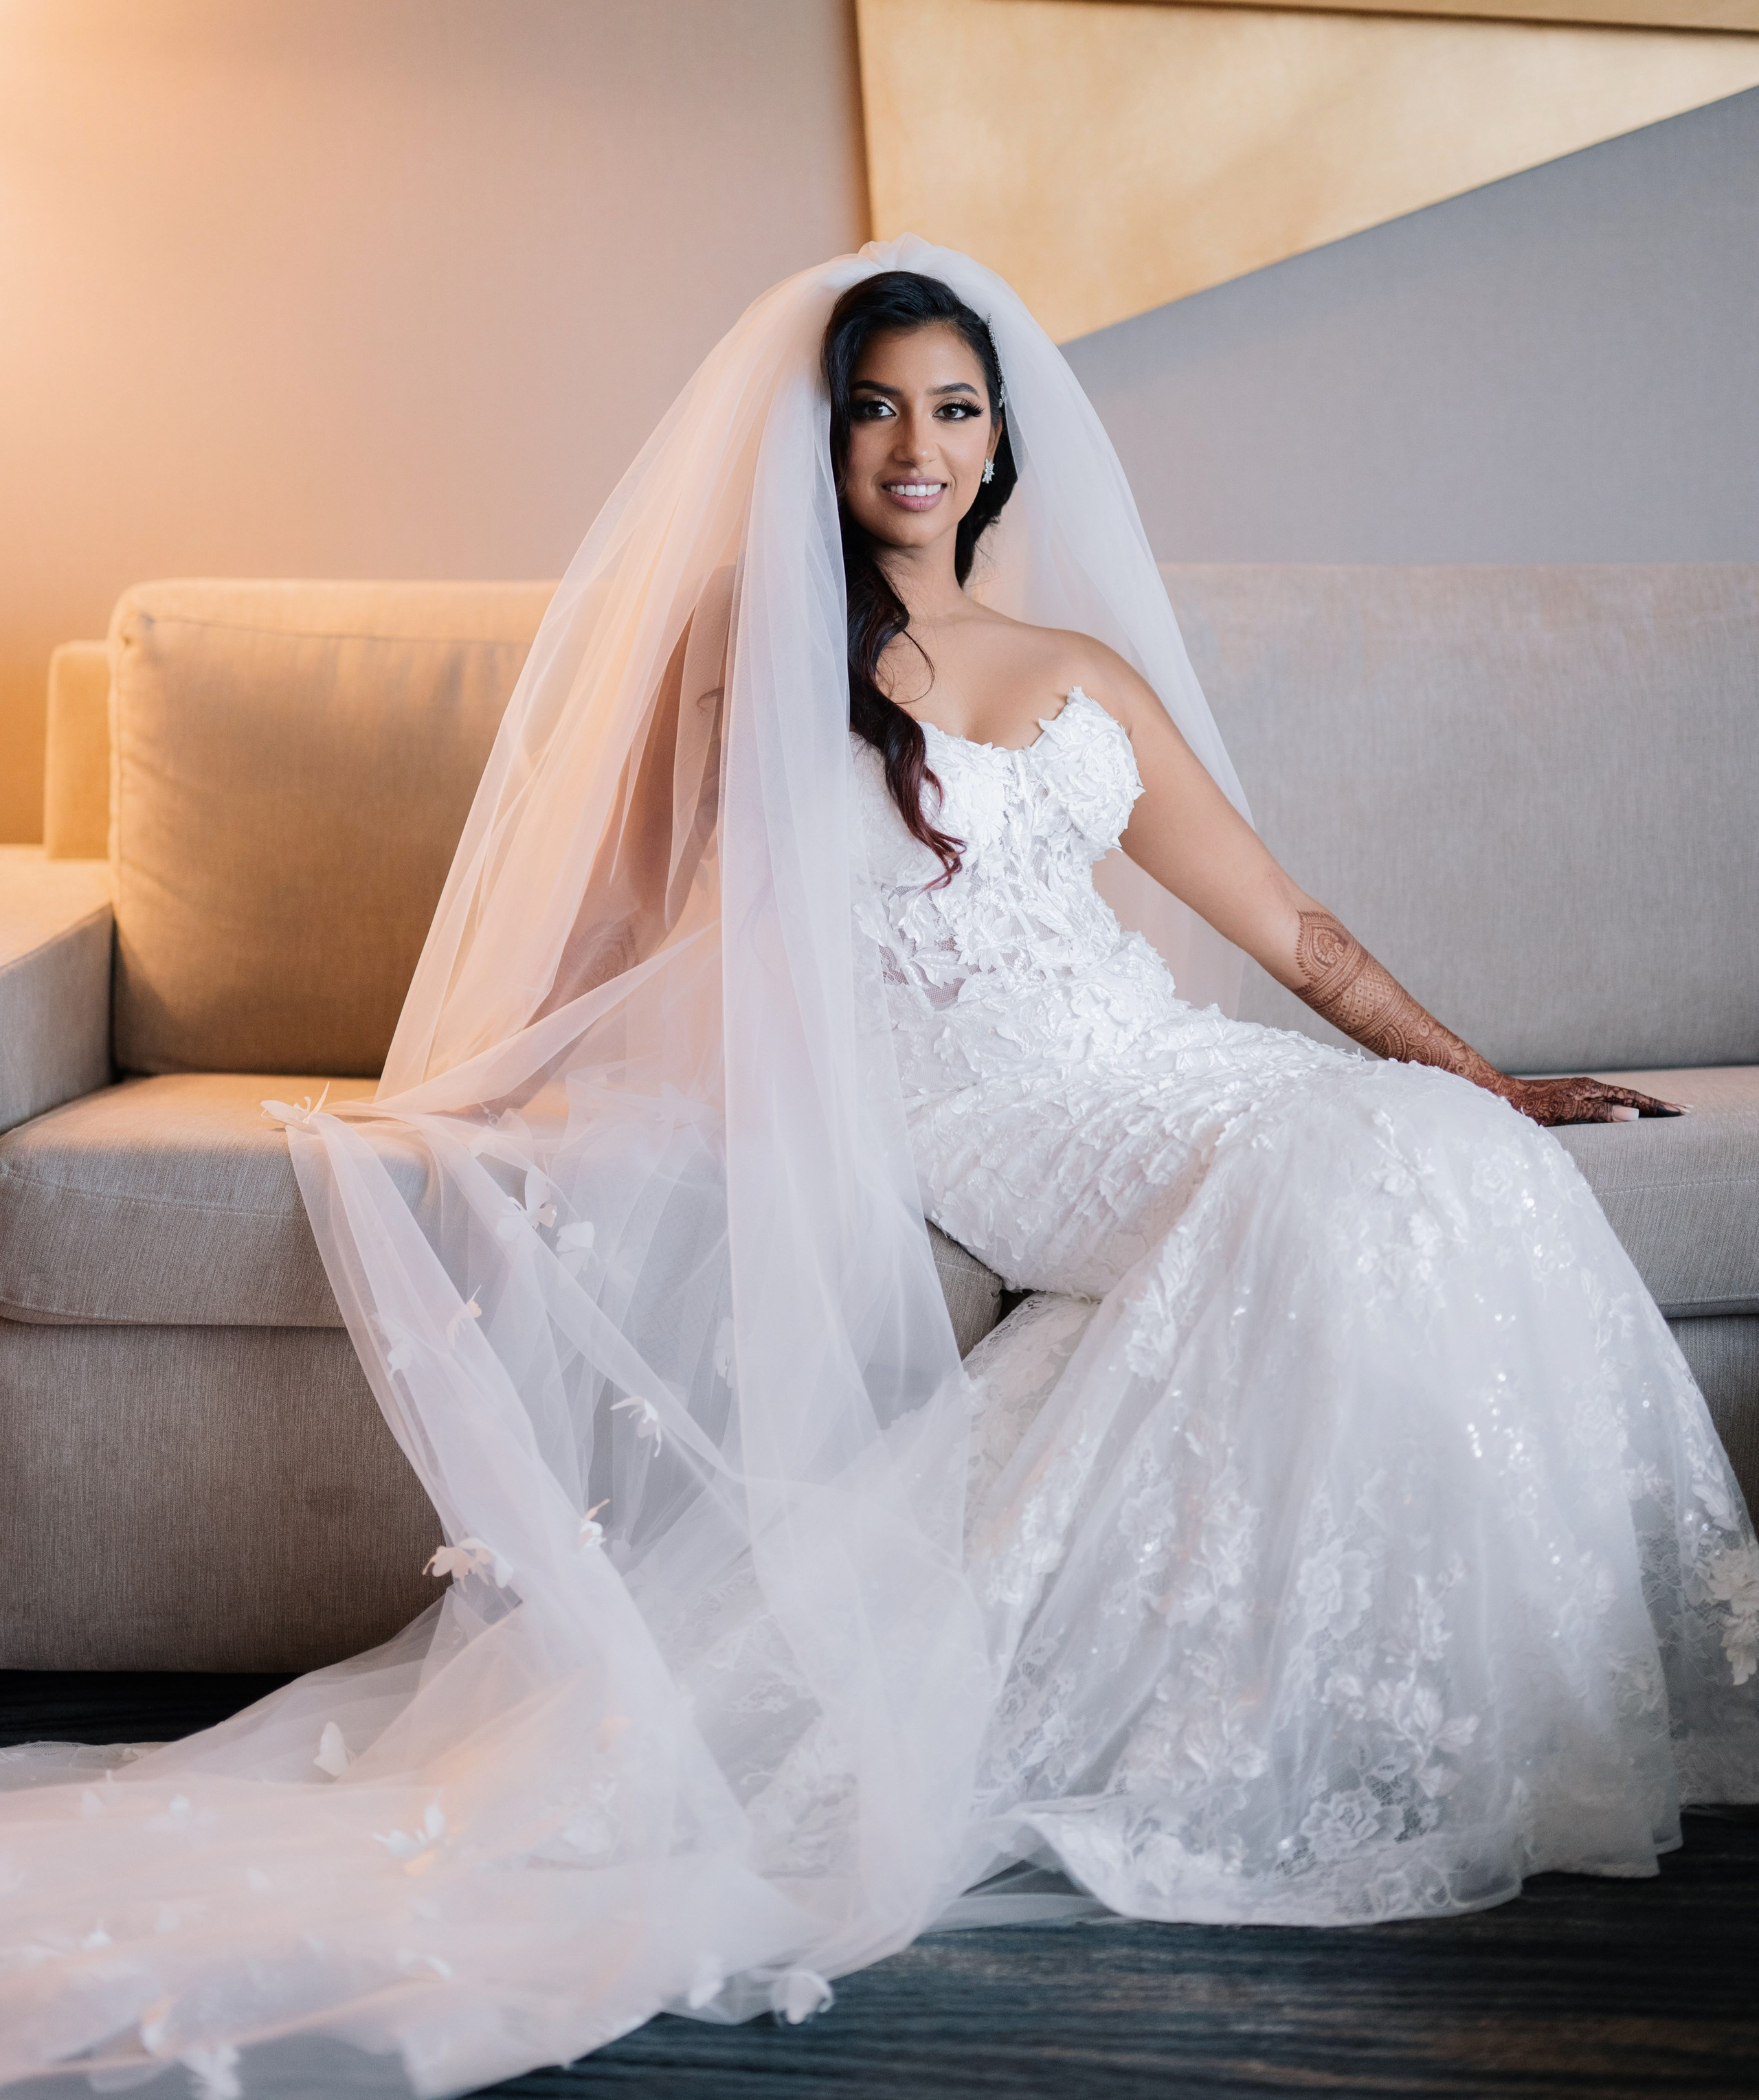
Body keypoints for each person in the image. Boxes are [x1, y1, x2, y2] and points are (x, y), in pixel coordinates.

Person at [1, 242, 1754, 2100]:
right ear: (822, 438)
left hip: (1166, 1064)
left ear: (999, 447)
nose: (918, 444)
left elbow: (1294, 932)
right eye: (878, 408)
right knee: (1340, 1189)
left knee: (1431, 1155)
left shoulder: (1079, 670)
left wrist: (1484, 1077)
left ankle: (1471, 1702)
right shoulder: (745, 648)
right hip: (1005, 1123)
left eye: (955, 409)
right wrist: (484, 1097)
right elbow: (614, 920)